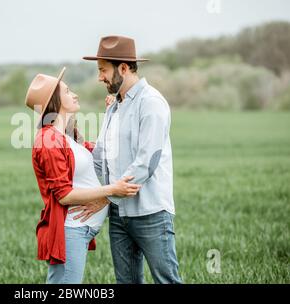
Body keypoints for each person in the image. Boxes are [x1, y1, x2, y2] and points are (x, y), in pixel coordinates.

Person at [70, 35, 183, 284]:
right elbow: (101, 158)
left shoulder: (151, 103)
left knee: (167, 281)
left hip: (151, 212)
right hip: (119, 215)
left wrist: (104, 196)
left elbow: (146, 164)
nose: (100, 77)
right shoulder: (114, 106)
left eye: (103, 70)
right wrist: (72, 143)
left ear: (123, 68)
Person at [25, 67, 141, 284]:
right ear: (54, 102)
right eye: (68, 92)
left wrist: (111, 114)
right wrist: (111, 191)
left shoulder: (68, 137)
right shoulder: (48, 140)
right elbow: (64, 195)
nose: (75, 94)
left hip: (80, 230)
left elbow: (102, 153)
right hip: (71, 229)